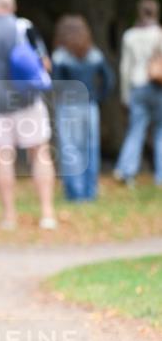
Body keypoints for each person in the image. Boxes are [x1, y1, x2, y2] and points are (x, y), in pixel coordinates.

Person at [0, 0, 57, 231]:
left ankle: (9, 217)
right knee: (40, 153)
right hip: (27, 100)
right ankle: (47, 214)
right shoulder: (24, 27)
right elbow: (44, 63)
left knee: (2, 157)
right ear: (13, 6)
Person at [51, 15, 115, 201]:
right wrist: (98, 97)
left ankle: (75, 193)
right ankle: (90, 191)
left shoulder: (60, 56)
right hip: (89, 106)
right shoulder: (94, 53)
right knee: (91, 149)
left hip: (68, 107)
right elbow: (109, 80)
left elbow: (56, 85)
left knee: (70, 149)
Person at [113, 0, 162, 187]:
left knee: (136, 130)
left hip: (138, 86)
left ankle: (127, 171)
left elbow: (125, 68)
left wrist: (125, 95)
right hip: (158, 86)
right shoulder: (158, 34)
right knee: (160, 131)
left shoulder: (130, 36)